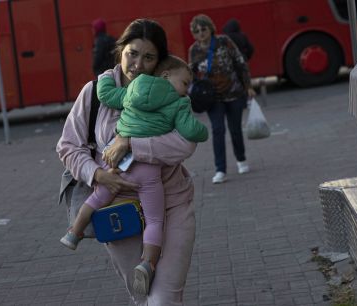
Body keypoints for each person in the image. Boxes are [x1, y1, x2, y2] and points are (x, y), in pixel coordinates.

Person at [57, 19, 197, 305]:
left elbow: (184, 144)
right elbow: (69, 146)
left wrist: (131, 143)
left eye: (148, 57)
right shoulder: (95, 92)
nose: (137, 64)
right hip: (119, 210)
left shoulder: (170, 92)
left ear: (160, 63)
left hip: (171, 204)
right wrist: (97, 175)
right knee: (142, 296)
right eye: (132, 53)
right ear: (120, 51)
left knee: (164, 300)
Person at [188, 14, 256, 184]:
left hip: (234, 93)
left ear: (210, 28)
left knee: (235, 129)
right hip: (213, 98)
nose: (201, 33)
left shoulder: (224, 41)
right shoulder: (194, 50)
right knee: (218, 130)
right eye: (196, 31)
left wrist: (248, 86)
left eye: (203, 29)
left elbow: (240, 62)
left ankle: (241, 159)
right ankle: (220, 169)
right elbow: (192, 74)